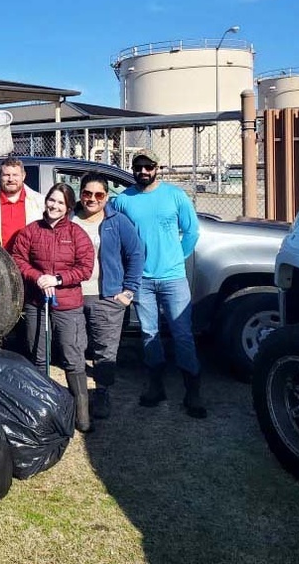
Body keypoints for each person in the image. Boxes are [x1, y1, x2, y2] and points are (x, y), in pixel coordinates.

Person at [112, 149, 205, 418]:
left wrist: (177, 256)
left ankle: (192, 391)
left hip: (173, 278)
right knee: (149, 333)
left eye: (148, 166)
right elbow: (114, 232)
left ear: (157, 168)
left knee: (183, 334)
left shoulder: (175, 196)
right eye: (138, 167)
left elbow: (192, 231)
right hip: (141, 279)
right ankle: (155, 386)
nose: (143, 171)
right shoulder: (123, 200)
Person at [11, 183, 96, 432]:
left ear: (68, 207)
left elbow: (85, 267)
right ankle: (43, 412)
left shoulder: (77, 234)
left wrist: (58, 279)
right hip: (38, 303)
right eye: (51, 200)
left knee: (72, 357)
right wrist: (37, 277)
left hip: (68, 305)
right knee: (38, 355)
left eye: (60, 203)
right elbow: (18, 259)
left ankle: (82, 415)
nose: (54, 206)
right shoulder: (30, 231)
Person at [73, 173, 143, 420]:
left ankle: (102, 393)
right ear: (80, 193)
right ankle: (78, 396)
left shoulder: (118, 221)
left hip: (108, 297)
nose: (92, 199)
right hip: (73, 296)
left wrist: (128, 291)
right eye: (87, 193)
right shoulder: (69, 219)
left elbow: (136, 254)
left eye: (98, 195)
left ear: (106, 197)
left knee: (105, 350)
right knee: (75, 347)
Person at [0, 157, 45, 252]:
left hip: (27, 262)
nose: (11, 179)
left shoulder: (40, 202)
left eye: (15, 175)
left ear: (23, 176)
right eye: (6, 175)